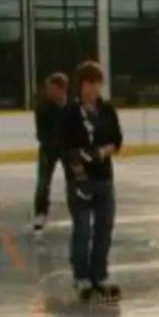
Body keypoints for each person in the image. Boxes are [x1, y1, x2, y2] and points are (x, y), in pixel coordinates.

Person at [58, 60, 124, 302]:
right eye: (89, 83)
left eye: (97, 83)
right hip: (79, 181)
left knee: (104, 228)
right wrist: (80, 171)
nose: (94, 88)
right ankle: (82, 276)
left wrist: (101, 152)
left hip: (104, 178)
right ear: (80, 85)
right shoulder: (70, 113)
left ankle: (100, 275)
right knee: (83, 229)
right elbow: (64, 147)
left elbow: (116, 140)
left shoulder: (107, 110)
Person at [31, 72, 69, 231]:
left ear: (62, 89)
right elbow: (41, 132)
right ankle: (40, 213)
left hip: (68, 148)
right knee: (43, 182)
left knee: (76, 180)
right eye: (48, 88)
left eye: (52, 88)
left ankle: (80, 209)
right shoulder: (42, 107)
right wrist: (50, 145)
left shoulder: (71, 106)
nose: (48, 91)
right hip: (48, 149)